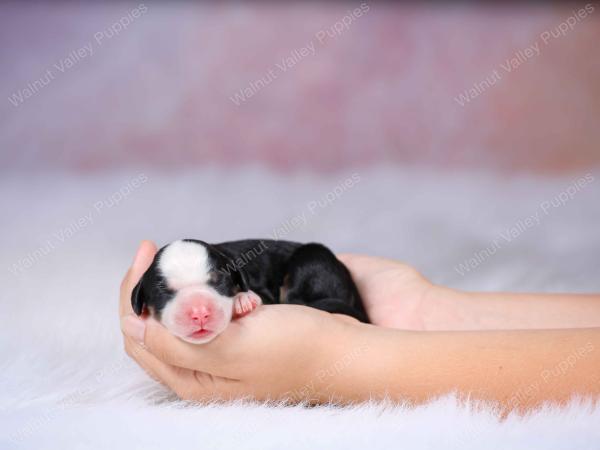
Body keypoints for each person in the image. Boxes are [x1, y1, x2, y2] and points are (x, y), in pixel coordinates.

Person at [119, 241, 600, 411]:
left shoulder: (244, 273)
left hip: (312, 269)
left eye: (214, 290)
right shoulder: (225, 269)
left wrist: (337, 359)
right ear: (146, 299)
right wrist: (424, 309)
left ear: (233, 279)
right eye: (170, 295)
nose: (199, 311)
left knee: (308, 264)